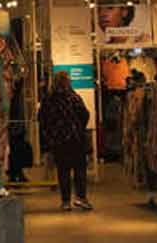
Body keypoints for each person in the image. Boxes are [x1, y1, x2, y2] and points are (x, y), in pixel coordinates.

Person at [38, 71, 92, 212]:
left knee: (63, 171)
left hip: (59, 140)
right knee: (79, 170)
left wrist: (49, 137)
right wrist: (79, 127)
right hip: (76, 139)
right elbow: (85, 114)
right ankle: (81, 197)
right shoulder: (74, 97)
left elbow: (42, 120)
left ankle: (66, 201)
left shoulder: (48, 99)